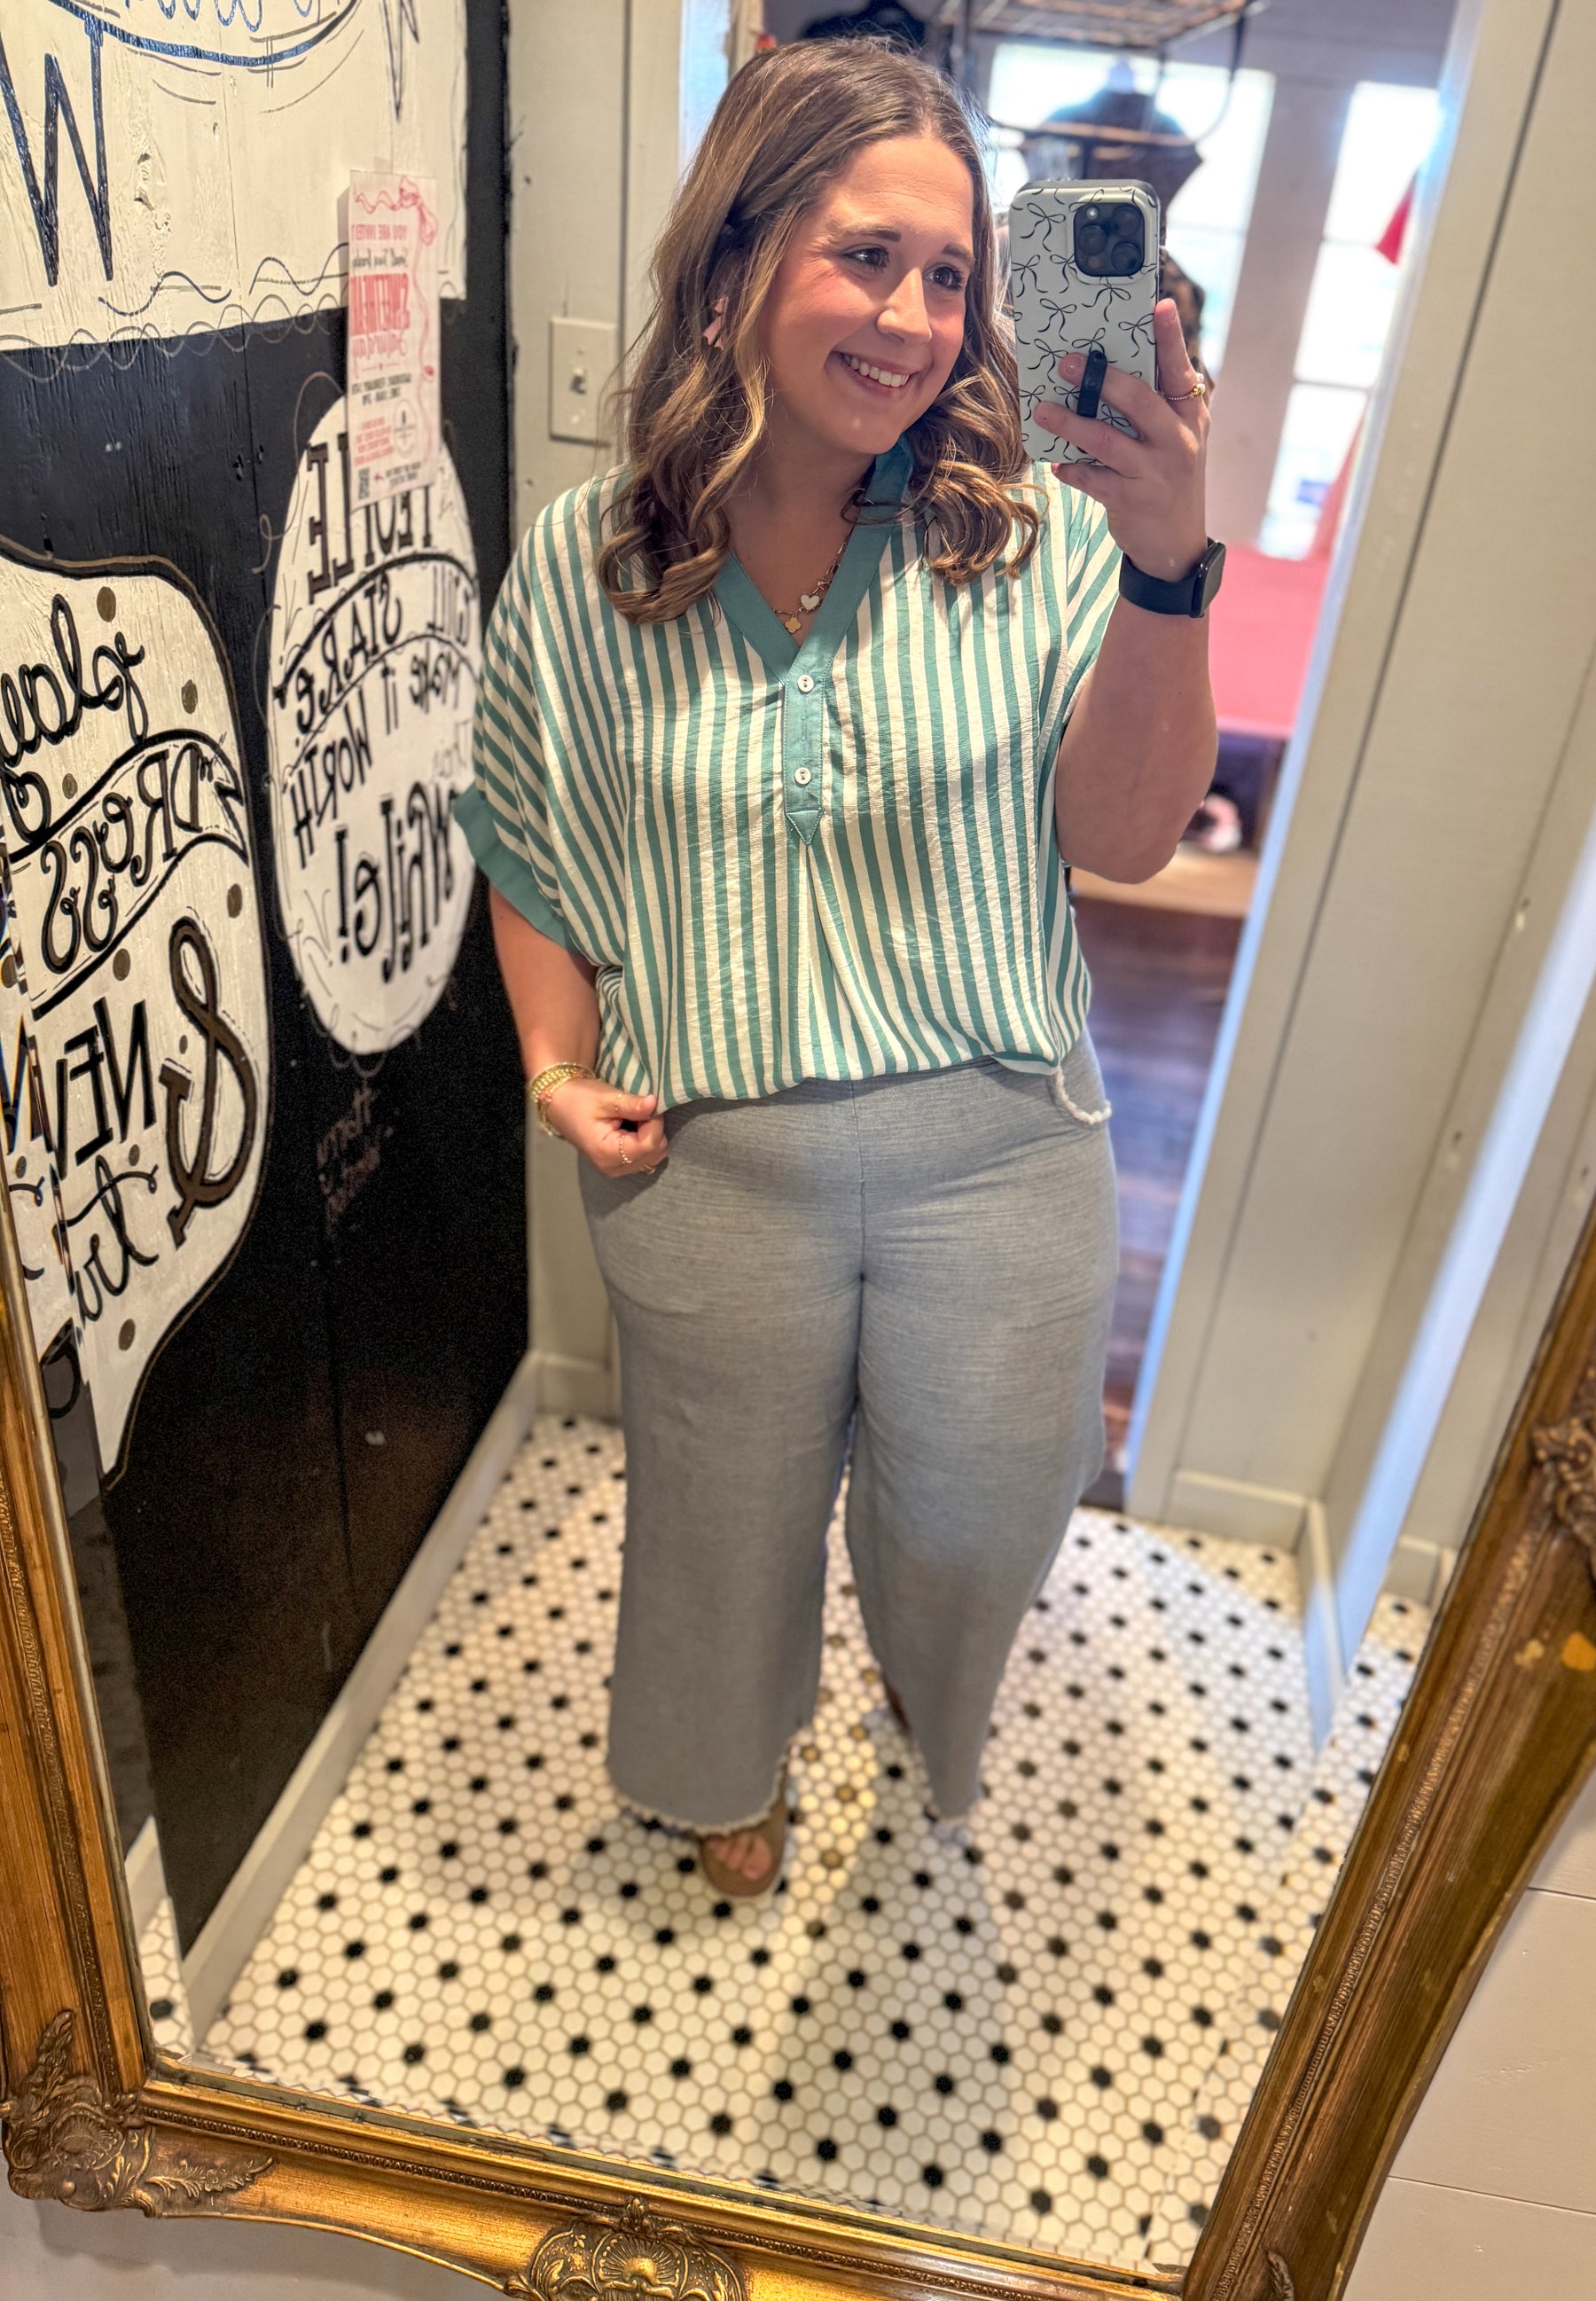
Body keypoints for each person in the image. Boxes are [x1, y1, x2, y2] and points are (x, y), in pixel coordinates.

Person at [455, 39, 1217, 1899]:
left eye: (951, 278)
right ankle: (724, 1767)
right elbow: (527, 835)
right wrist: (556, 1069)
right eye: (867, 256)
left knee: (979, 1515)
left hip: (997, 1148)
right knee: (718, 1526)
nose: (915, 318)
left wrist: (1171, 560)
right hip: (709, 1162)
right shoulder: (590, 561)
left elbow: (1121, 837)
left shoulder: (1030, 540)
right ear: (735, 259)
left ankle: (923, 1697)